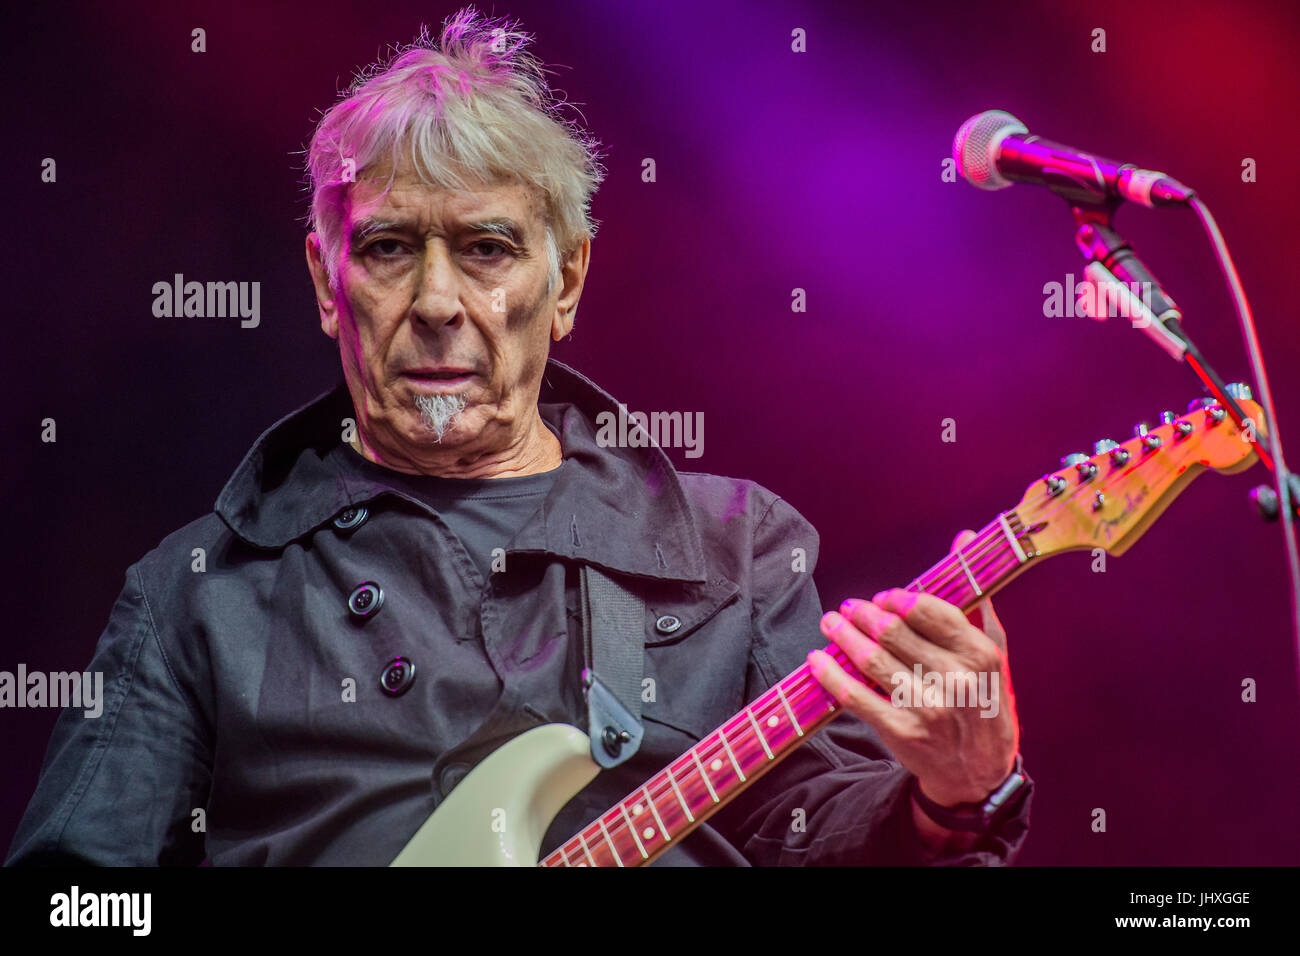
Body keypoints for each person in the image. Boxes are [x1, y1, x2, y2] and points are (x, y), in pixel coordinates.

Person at [6, 6, 1031, 867]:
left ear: (567, 280)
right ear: (327, 280)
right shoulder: (198, 586)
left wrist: (956, 800)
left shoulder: (739, 553)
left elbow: (826, 840)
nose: (438, 300)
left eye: (487, 247)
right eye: (393, 248)